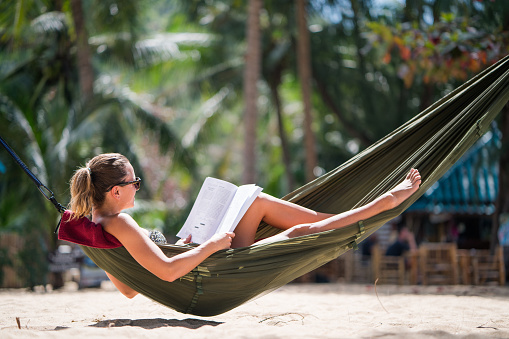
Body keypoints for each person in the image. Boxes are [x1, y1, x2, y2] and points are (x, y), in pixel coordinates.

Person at [69, 153, 421, 299]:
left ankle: (340, 217)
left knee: (255, 201)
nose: (137, 187)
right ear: (116, 191)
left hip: (199, 265)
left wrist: (188, 244)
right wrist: (213, 246)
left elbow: (130, 287)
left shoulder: (96, 224)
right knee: (297, 234)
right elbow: (166, 273)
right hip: (205, 280)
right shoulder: (120, 222)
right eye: (135, 183)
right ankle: (381, 204)